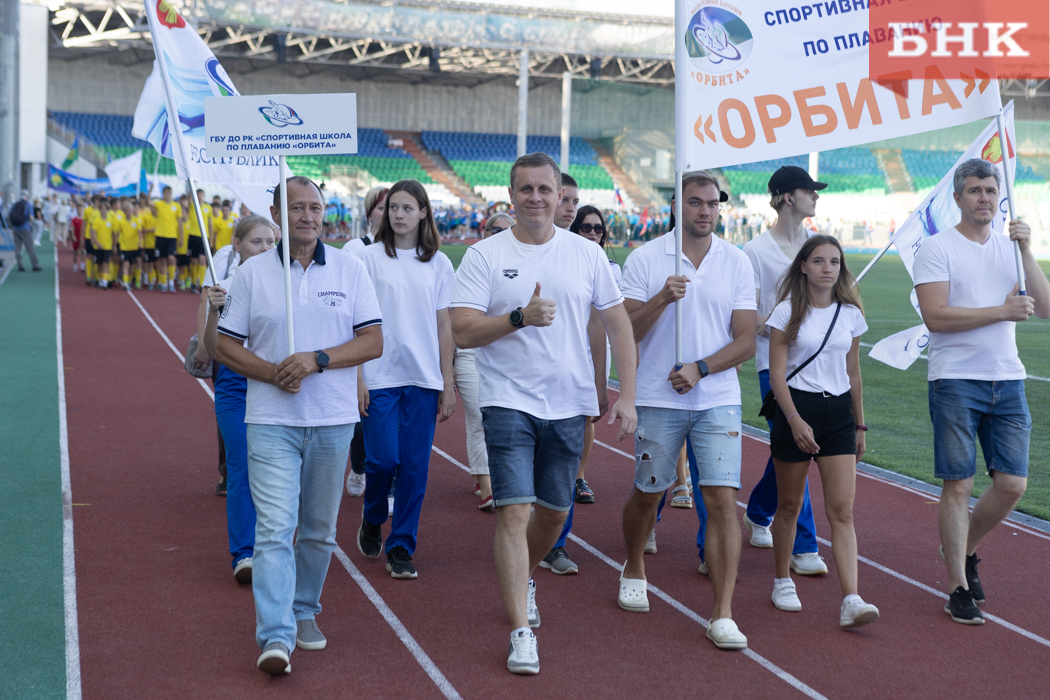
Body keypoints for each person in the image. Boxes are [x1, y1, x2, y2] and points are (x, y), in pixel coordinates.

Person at [450, 152, 637, 675]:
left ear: (560, 197)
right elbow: (463, 330)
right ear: (511, 197)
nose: (535, 198)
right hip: (507, 399)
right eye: (525, 189)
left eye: (544, 189)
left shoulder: (587, 255)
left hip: (570, 403)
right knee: (514, 510)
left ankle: (523, 575)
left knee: (554, 513)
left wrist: (627, 395)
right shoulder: (484, 255)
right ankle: (521, 632)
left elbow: (619, 324)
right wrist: (517, 318)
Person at [215, 175, 384, 675]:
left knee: (318, 530)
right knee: (273, 529)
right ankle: (275, 634)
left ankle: (305, 609)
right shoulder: (251, 274)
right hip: (270, 420)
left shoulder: (351, 269)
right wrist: (272, 372)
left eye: (315, 207)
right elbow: (225, 345)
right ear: (276, 212)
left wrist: (318, 359)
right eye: (296, 207)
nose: (307, 216)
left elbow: (373, 341)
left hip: (333, 421)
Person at [619, 170, 755, 650]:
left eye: (712, 203)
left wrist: (700, 368)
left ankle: (722, 612)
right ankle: (633, 563)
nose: (704, 210)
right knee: (647, 493)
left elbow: (745, 341)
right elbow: (627, 329)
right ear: (677, 206)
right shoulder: (645, 258)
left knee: (721, 500)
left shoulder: (736, 261)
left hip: (716, 399)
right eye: (694, 202)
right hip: (658, 397)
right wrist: (662, 297)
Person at [913, 158, 1050, 625]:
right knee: (959, 483)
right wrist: (1001, 310)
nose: (984, 198)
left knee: (1013, 484)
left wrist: (1028, 251)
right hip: (954, 378)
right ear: (958, 197)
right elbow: (936, 317)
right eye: (974, 191)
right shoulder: (937, 248)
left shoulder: (1011, 249)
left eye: (990, 191)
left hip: (1007, 377)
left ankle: (963, 549)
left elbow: (1045, 308)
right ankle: (957, 587)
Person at [766, 234, 878, 629]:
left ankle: (851, 598)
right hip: (797, 408)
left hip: (839, 416)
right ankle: (782, 579)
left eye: (834, 261)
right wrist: (794, 419)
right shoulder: (785, 312)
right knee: (791, 506)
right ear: (803, 266)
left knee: (842, 512)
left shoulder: (850, 315)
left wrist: (860, 424)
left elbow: (854, 373)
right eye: (818, 261)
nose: (827, 268)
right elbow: (776, 374)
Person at [356, 179, 456, 579]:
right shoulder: (368, 258)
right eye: (392, 207)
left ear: (423, 213)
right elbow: (354, 324)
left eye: (407, 208)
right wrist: (358, 378)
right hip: (379, 373)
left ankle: (401, 546)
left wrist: (448, 382)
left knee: (414, 469)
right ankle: (373, 515)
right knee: (381, 460)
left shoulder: (440, 263)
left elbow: (444, 327)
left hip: (423, 378)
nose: (398, 215)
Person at [739, 165, 828, 577]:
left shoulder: (818, 245)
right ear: (788, 197)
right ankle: (804, 545)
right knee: (801, 447)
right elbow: (750, 317)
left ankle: (758, 510)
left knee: (788, 449)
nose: (816, 197)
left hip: (816, 363)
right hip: (772, 364)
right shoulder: (755, 252)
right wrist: (787, 323)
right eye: (810, 190)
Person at [538, 205, 618, 575]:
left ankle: (555, 543)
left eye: (596, 227)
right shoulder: (530, 253)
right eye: (564, 200)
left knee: (562, 468)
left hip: (574, 379)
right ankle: (527, 534)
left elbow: (599, 327)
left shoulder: (594, 263)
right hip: (529, 379)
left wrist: (601, 383)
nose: (569, 207)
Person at [200, 215, 277, 583]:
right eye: (256, 242)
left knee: (280, 471)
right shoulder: (224, 286)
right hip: (235, 386)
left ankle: (274, 546)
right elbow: (213, 349)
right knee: (242, 466)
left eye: (271, 242)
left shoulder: (287, 285)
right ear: (237, 245)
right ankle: (244, 554)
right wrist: (214, 312)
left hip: (276, 385)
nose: (265, 249)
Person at [454, 211, 515, 510]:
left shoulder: (519, 265)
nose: (501, 233)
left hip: (504, 355)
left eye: (508, 229)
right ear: (485, 231)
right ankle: (489, 488)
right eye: (495, 229)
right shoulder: (473, 261)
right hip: (469, 353)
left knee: (495, 421)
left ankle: (482, 473)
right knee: (480, 418)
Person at [343, 185, 388, 498]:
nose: (390, 214)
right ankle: (359, 465)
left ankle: (388, 479)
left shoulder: (408, 250)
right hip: (361, 340)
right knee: (361, 417)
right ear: (370, 211)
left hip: (393, 346)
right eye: (383, 207)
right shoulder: (353, 248)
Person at [152, 186, 181, 293]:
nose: (168, 195)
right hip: (160, 235)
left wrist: (181, 237)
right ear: (163, 194)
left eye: (169, 193)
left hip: (172, 236)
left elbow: (180, 223)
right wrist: (150, 190)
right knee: (162, 260)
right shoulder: (159, 204)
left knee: (171, 258)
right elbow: (147, 202)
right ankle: (163, 283)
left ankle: (171, 282)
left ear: (171, 194)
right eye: (166, 193)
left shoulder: (176, 206)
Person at [9, 190, 41, 272]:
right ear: (27, 197)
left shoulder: (15, 204)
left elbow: (9, 215)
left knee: (17, 247)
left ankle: (20, 265)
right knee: (30, 247)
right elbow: (31, 217)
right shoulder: (28, 205)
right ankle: (35, 265)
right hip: (25, 228)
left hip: (15, 229)